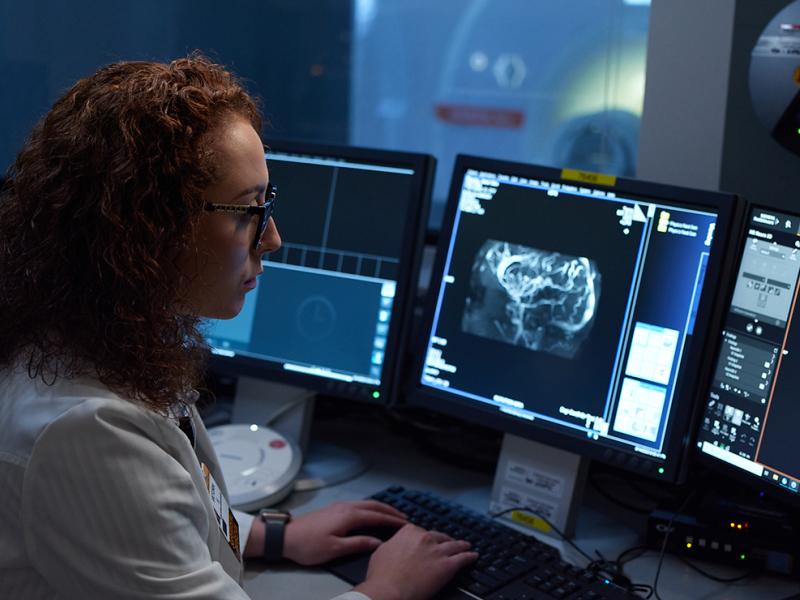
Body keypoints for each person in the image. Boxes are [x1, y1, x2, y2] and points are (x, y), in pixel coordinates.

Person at [0, 55, 477, 599]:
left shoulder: (89, 336)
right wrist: (387, 590)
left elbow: (153, 514)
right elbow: (127, 499)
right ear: (148, 230)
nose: (271, 238)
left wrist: (275, 536)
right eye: (249, 210)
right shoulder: (87, 432)